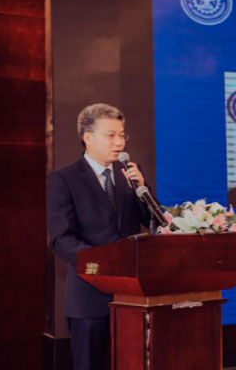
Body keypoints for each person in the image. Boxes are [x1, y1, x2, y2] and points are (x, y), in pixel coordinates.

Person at [47, 103, 151, 370]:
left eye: (122, 135)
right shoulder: (64, 178)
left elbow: (154, 223)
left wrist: (142, 189)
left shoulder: (130, 174)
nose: (119, 143)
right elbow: (61, 238)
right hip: (89, 298)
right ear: (88, 137)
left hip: (132, 297)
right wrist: (105, 263)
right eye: (110, 135)